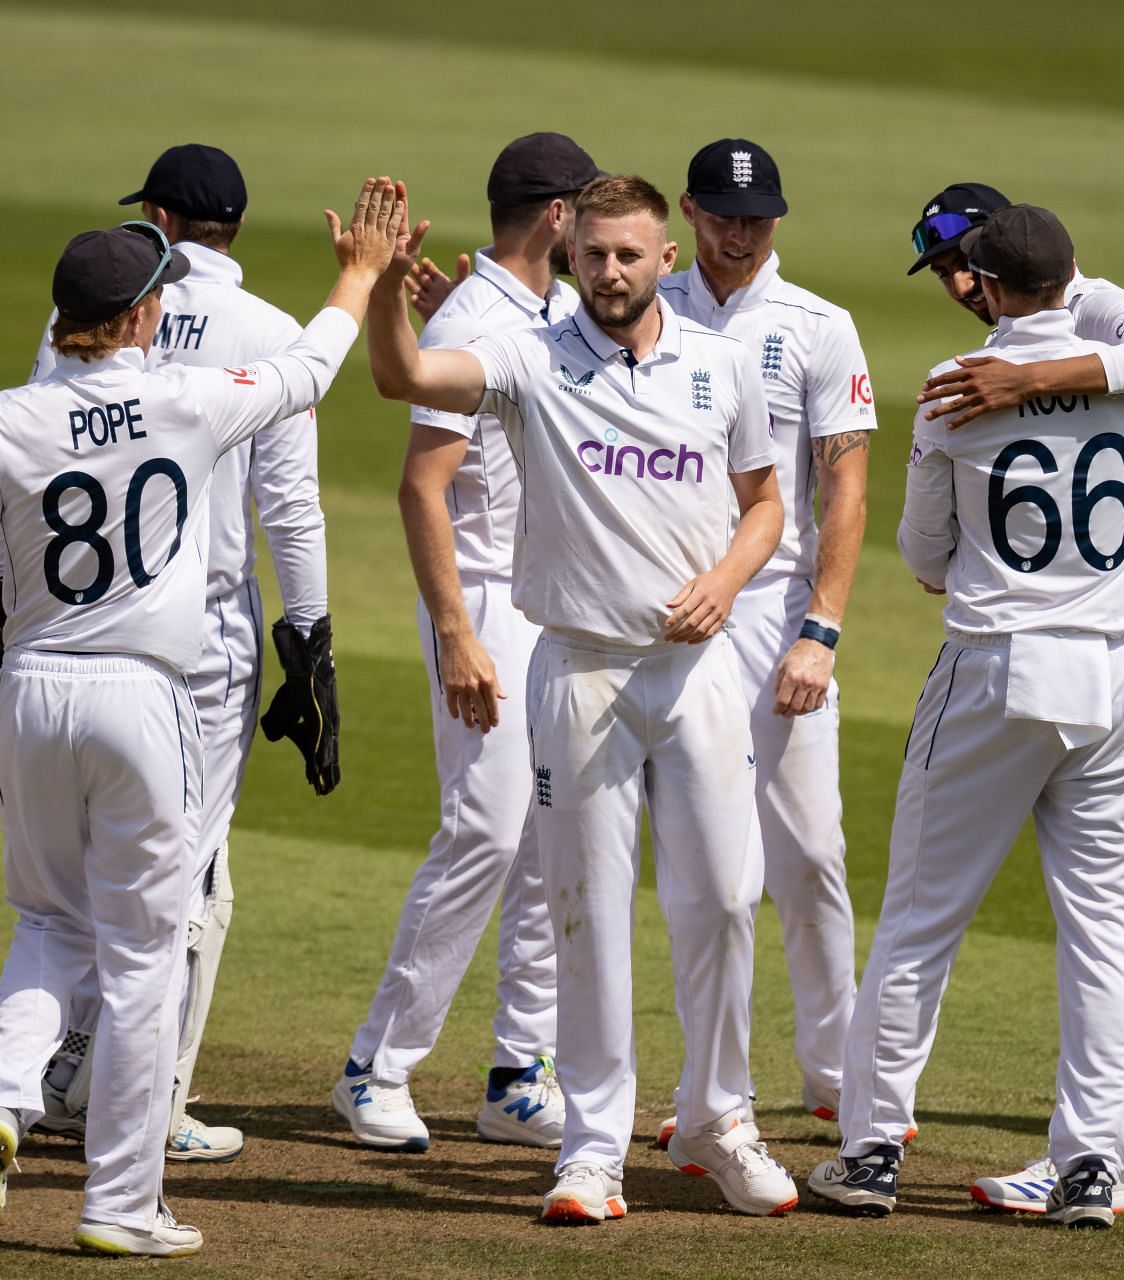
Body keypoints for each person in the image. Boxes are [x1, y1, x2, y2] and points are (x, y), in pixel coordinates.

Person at [0, 179, 402, 1256]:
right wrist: (361, 274)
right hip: (149, 698)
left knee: (49, 922)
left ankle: (0, 1102)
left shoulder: (11, 410)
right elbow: (310, 369)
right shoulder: (189, 397)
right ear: (142, 315)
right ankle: (119, 1203)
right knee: (144, 955)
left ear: (61, 320)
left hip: (32, 692)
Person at [365, 174, 801, 1223]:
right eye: (594, 253)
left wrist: (727, 580)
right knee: (588, 913)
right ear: (572, 253)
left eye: (630, 255)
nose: (610, 270)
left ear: (666, 259)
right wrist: (380, 288)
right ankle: (594, 1145)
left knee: (726, 899)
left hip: (693, 671)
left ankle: (717, 1119)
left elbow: (767, 503)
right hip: (580, 669)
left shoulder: (722, 364)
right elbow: (406, 375)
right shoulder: (532, 355)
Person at [807, 205, 1124, 1229]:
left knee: (922, 920)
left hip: (994, 671)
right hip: (1119, 675)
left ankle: (871, 1151)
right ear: (1075, 279)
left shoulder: (950, 394)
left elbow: (928, 559)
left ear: (982, 281)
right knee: (1108, 929)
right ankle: (1089, 1170)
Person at [2, 143, 341, 1167]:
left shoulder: (84, 323)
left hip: (72, 625)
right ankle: (141, 1105)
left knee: (82, 878)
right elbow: (290, 510)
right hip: (208, 635)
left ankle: (68, 1070)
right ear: (236, 224)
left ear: (155, 214)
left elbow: (29, 460)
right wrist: (311, 646)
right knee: (188, 877)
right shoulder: (272, 331)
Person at [333, 133, 601, 1154]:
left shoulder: (550, 313)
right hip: (484, 601)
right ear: (555, 215)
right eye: (590, 215)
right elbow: (422, 485)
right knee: (485, 830)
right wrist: (455, 631)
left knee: (549, 835)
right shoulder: (486, 317)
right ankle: (376, 1065)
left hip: (549, 602)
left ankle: (516, 1074)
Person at [646, 138, 873, 1141]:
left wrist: (821, 628)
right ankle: (710, 1086)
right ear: (691, 213)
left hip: (778, 615)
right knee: (708, 868)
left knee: (812, 848)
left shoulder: (818, 326)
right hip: (666, 623)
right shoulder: (641, 307)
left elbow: (846, 484)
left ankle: (838, 1069)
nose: (742, 235)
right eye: (725, 216)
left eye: (760, 218)